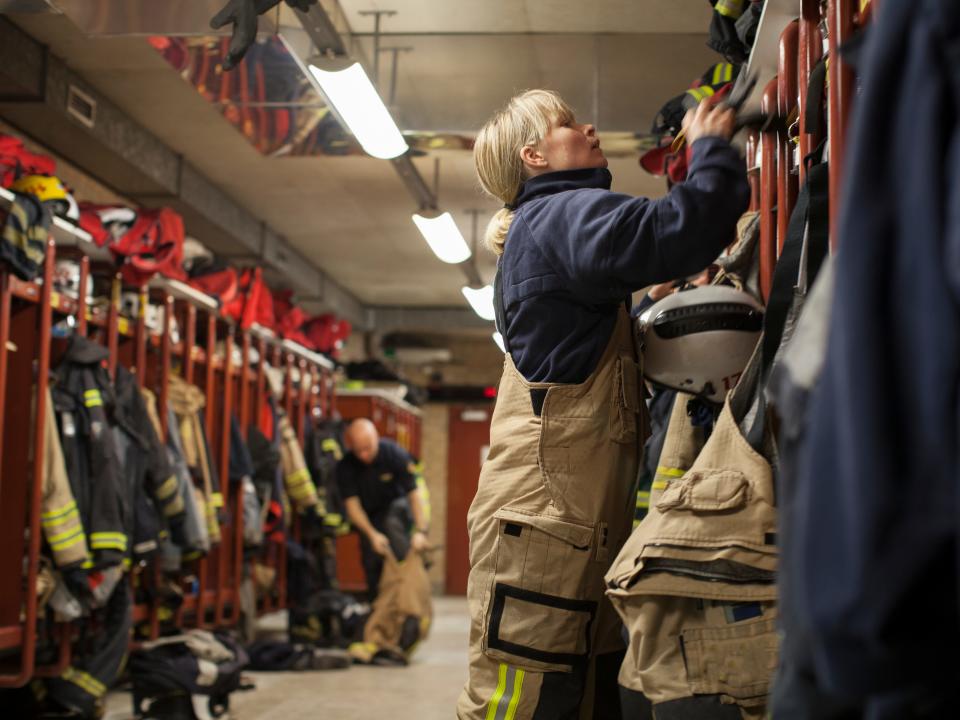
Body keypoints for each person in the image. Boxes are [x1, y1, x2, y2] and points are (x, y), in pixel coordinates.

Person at [458, 89, 748, 720]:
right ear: (534, 155)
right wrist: (711, 150)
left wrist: (648, 308)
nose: (587, 127)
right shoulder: (561, 215)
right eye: (566, 124)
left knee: (570, 698)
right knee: (520, 704)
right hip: (547, 535)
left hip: (560, 535)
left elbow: (578, 352)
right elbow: (684, 230)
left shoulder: (544, 229)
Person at [336, 419, 429, 598]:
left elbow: (414, 496)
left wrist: (421, 531)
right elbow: (353, 507)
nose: (363, 455)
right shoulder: (346, 467)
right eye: (358, 450)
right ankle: (379, 610)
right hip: (369, 519)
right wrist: (372, 535)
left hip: (399, 514)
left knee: (393, 523)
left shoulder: (395, 454)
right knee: (372, 566)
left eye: (368, 448)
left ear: (376, 438)